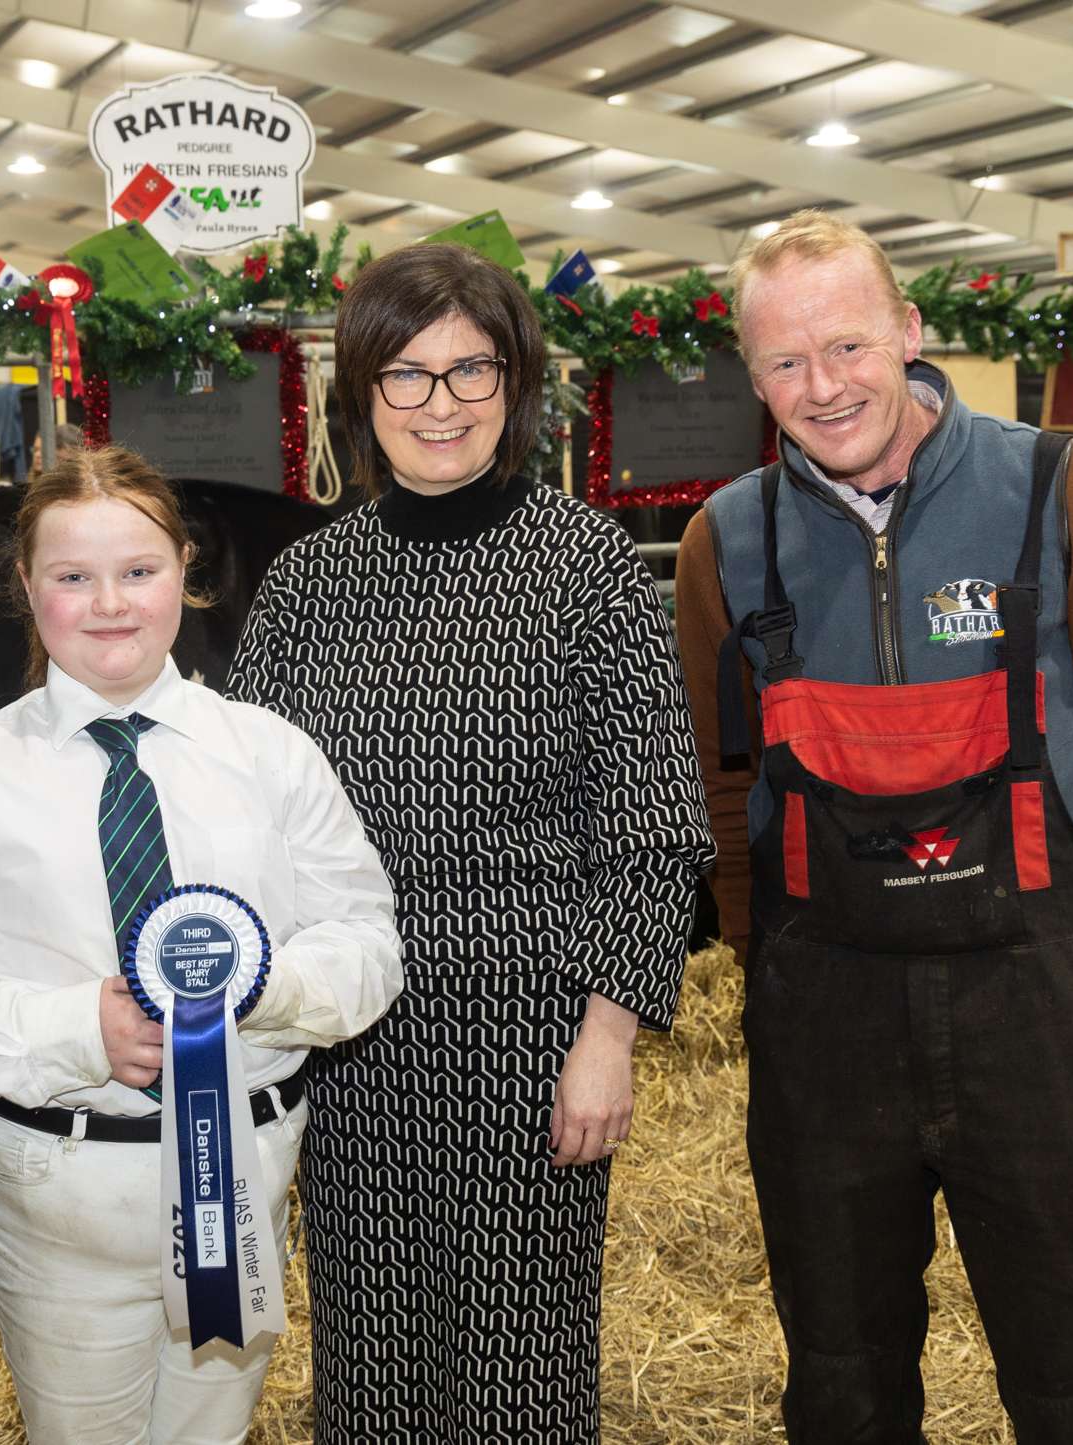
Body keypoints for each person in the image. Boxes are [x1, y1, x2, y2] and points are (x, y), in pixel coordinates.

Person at [674, 209, 1073, 1443]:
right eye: (786, 363)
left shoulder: (1067, 492)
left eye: (848, 346)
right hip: (826, 1024)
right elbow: (720, 779)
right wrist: (771, 970)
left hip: (1040, 1008)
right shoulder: (725, 541)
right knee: (841, 1373)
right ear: (751, 377)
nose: (824, 386)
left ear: (907, 333)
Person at [225, 243, 714, 1443]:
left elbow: (651, 826)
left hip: (525, 1024)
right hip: (348, 1033)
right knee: (371, 1351)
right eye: (405, 375)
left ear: (514, 382)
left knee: (515, 1363)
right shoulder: (304, 584)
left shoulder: (585, 565)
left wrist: (608, 1037)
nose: (440, 404)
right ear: (360, 396)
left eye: (468, 370)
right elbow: (241, 808)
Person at [0, 444, 401, 1445]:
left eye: (137, 570)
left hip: (240, 1187)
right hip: (62, 1203)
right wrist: (79, 1027)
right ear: (26, 588)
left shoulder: (271, 754)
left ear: (184, 573)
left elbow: (367, 945)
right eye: (72, 576)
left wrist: (254, 985)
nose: (108, 602)